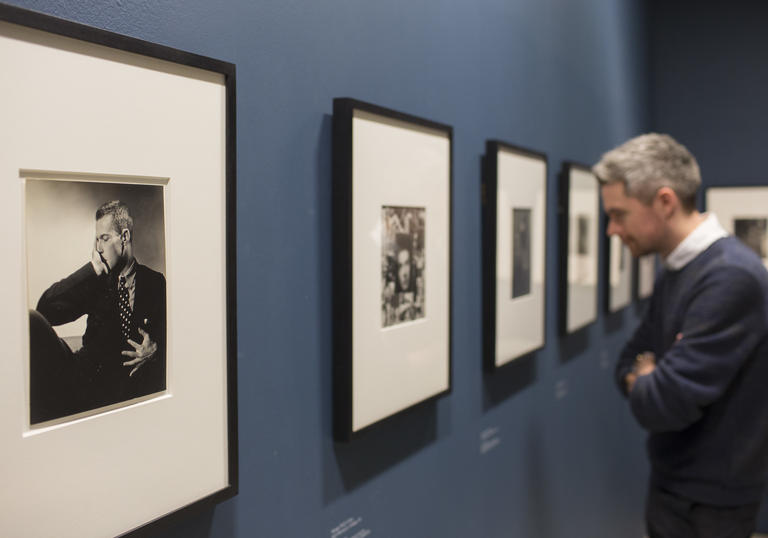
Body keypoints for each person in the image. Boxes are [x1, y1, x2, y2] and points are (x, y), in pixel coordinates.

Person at [593, 133, 768, 538]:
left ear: (665, 202)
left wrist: (653, 377)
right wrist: (648, 373)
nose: (611, 230)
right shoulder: (680, 268)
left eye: (619, 214)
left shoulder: (728, 276)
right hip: (679, 486)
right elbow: (629, 360)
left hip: (710, 502)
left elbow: (663, 404)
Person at [29, 200, 166, 424]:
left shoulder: (155, 283)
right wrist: (92, 270)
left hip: (125, 395)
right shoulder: (96, 282)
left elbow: (174, 333)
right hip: (84, 384)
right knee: (31, 320)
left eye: (104, 238)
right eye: (96, 239)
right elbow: (45, 310)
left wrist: (156, 349)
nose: (98, 248)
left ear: (124, 237)